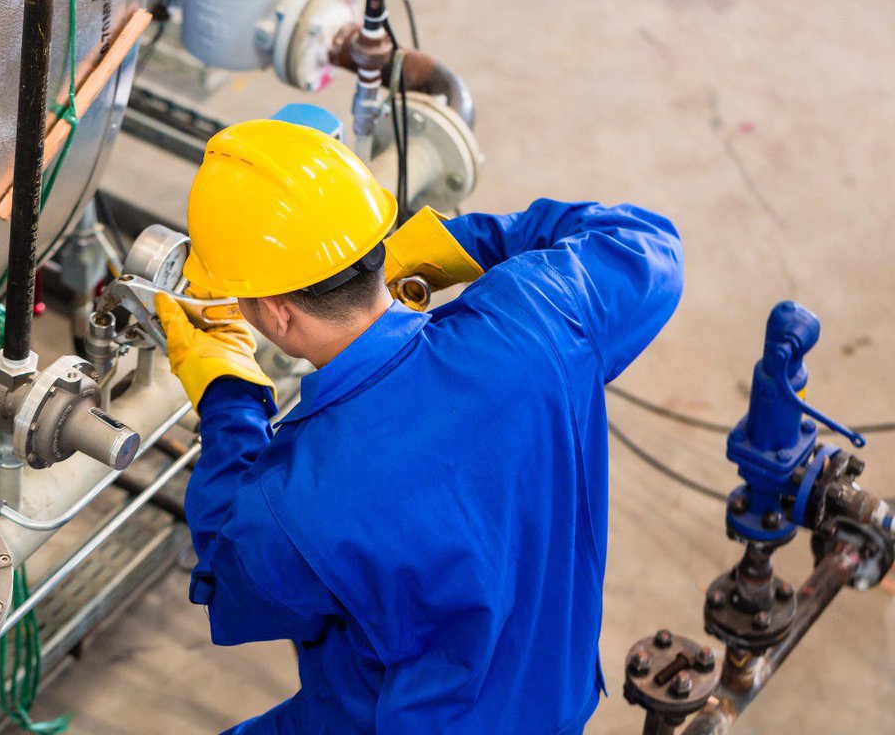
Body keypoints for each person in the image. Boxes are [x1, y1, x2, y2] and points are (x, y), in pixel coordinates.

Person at [153, 119, 683, 734]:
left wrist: (229, 393)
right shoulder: (540, 316)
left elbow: (229, 570)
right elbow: (645, 241)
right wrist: (458, 245)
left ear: (273, 312)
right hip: (551, 698)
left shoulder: (296, 500)